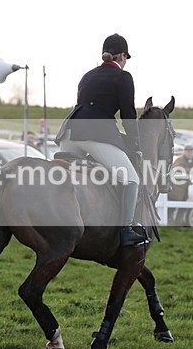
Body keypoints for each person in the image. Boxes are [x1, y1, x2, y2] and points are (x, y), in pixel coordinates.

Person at [55, 33, 146, 247]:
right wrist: (134, 144)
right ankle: (125, 230)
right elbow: (127, 115)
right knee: (132, 179)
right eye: (125, 58)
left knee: (70, 175)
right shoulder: (124, 77)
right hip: (95, 134)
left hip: (70, 132)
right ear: (122, 56)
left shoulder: (87, 75)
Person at [168, 145, 193, 225]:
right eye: (188, 151)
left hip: (184, 191)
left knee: (183, 208)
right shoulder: (180, 160)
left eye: (191, 151)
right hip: (175, 190)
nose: (190, 153)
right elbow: (178, 169)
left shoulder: (192, 161)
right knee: (171, 209)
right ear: (184, 151)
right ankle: (169, 223)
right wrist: (192, 171)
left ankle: (177, 224)